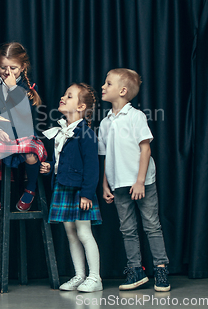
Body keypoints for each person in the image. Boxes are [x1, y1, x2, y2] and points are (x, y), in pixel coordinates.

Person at [100, 68, 170, 292]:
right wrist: (105, 184)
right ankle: (135, 271)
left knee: (151, 225)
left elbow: (145, 149)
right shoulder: (105, 122)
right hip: (118, 184)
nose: (103, 86)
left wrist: (140, 181)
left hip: (142, 182)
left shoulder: (136, 116)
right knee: (127, 229)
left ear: (122, 90)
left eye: (108, 83)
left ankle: (160, 268)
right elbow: (105, 156)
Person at [40, 83, 103, 293]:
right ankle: (79, 275)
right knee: (70, 232)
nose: (63, 97)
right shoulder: (62, 131)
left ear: (81, 107)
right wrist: (51, 167)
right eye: (64, 94)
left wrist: (87, 194)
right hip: (63, 186)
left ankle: (95, 278)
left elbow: (93, 167)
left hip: (80, 191)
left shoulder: (85, 134)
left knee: (84, 232)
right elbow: (64, 161)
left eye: (69, 96)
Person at [0, 42, 47, 212]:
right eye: (3, 68)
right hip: (0, 135)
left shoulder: (28, 89)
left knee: (31, 153)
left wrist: (13, 89)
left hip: (23, 135)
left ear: (23, 67)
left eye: (13, 68)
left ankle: (30, 189)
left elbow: (25, 116)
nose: (8, 72)